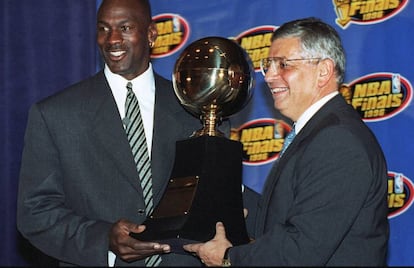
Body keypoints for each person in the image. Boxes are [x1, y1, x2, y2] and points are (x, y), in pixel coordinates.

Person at [184, 17, 389, 266]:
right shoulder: (319, 132)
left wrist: (228, 258)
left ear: (323, 71)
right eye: (268, 65)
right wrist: (225, 188)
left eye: (283, 65)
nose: (269, 76)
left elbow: (301, 248)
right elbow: (283, 218)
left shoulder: (338, 140)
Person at [16, 0, 203, 266]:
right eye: (103, 29)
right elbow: (35, 212)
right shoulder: (55, 114)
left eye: (125, 27)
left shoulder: (194, 109)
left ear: (151, 34)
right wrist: (104, 239)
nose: (112, 39)